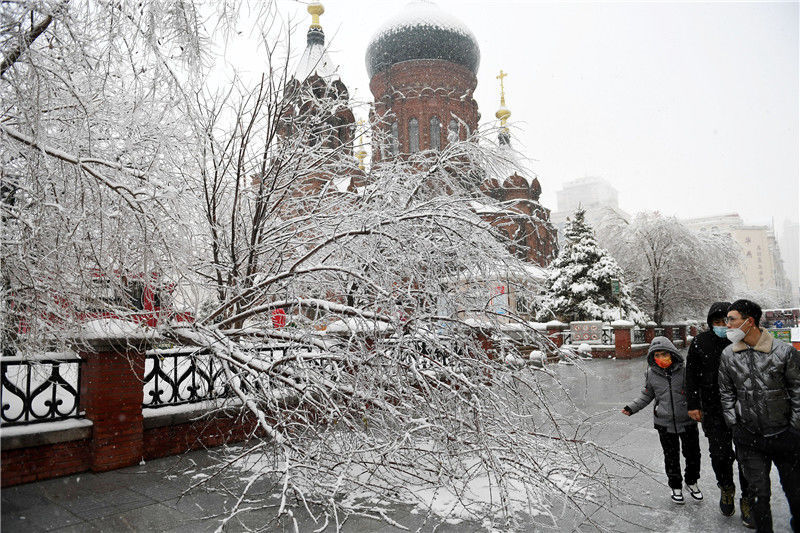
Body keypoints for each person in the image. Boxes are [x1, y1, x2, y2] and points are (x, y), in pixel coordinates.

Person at [719, 299, 800, 532]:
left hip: (785, 435)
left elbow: (798, 390)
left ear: (749, 321)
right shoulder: (728, 355)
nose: (727, 325)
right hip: (749, 437)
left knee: (795, 491)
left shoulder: (784, 352)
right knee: (758, 494)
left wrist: (794, 429)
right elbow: (725, 392)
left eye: (732, 319)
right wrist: (735, 425)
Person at [686, 301, 752, 522]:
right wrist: (693, 405)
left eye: (727, 321)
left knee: (747, 455)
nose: (723, 325)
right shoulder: (700, 342)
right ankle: (726, 487)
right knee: (720, 454)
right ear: (710, 323)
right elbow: (691, 376)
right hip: (713, 409)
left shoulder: (743, 340)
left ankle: (748, 498)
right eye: (717, 322)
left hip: (744, 408)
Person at [622, 336, 702, 504]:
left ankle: (692, 481)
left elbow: (696, 392)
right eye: (657, 355)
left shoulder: (685, 370)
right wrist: (632, 407)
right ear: (653, 357)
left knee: (693, 455)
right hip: (664, 423)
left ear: (672, 353)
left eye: (664, 354)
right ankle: (676, 487)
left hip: (687, 421)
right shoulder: (651, 374)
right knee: (671, 456)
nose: (661, 358)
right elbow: (646, 395)